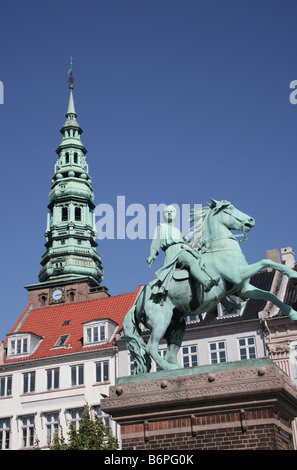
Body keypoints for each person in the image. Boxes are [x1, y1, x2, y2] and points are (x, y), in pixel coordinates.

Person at [147, 205, 218, 295]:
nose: (169, 213)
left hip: (184, 249)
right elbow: (155, 243)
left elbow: (187, 243)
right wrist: (152, 255)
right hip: (174, 251)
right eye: (166, 212)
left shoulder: (178, 231)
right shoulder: (161, 227)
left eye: (171, 211)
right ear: (163, 215)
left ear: (175, 215)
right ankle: (206, 283)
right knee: (192, 261)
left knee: (202, 260)